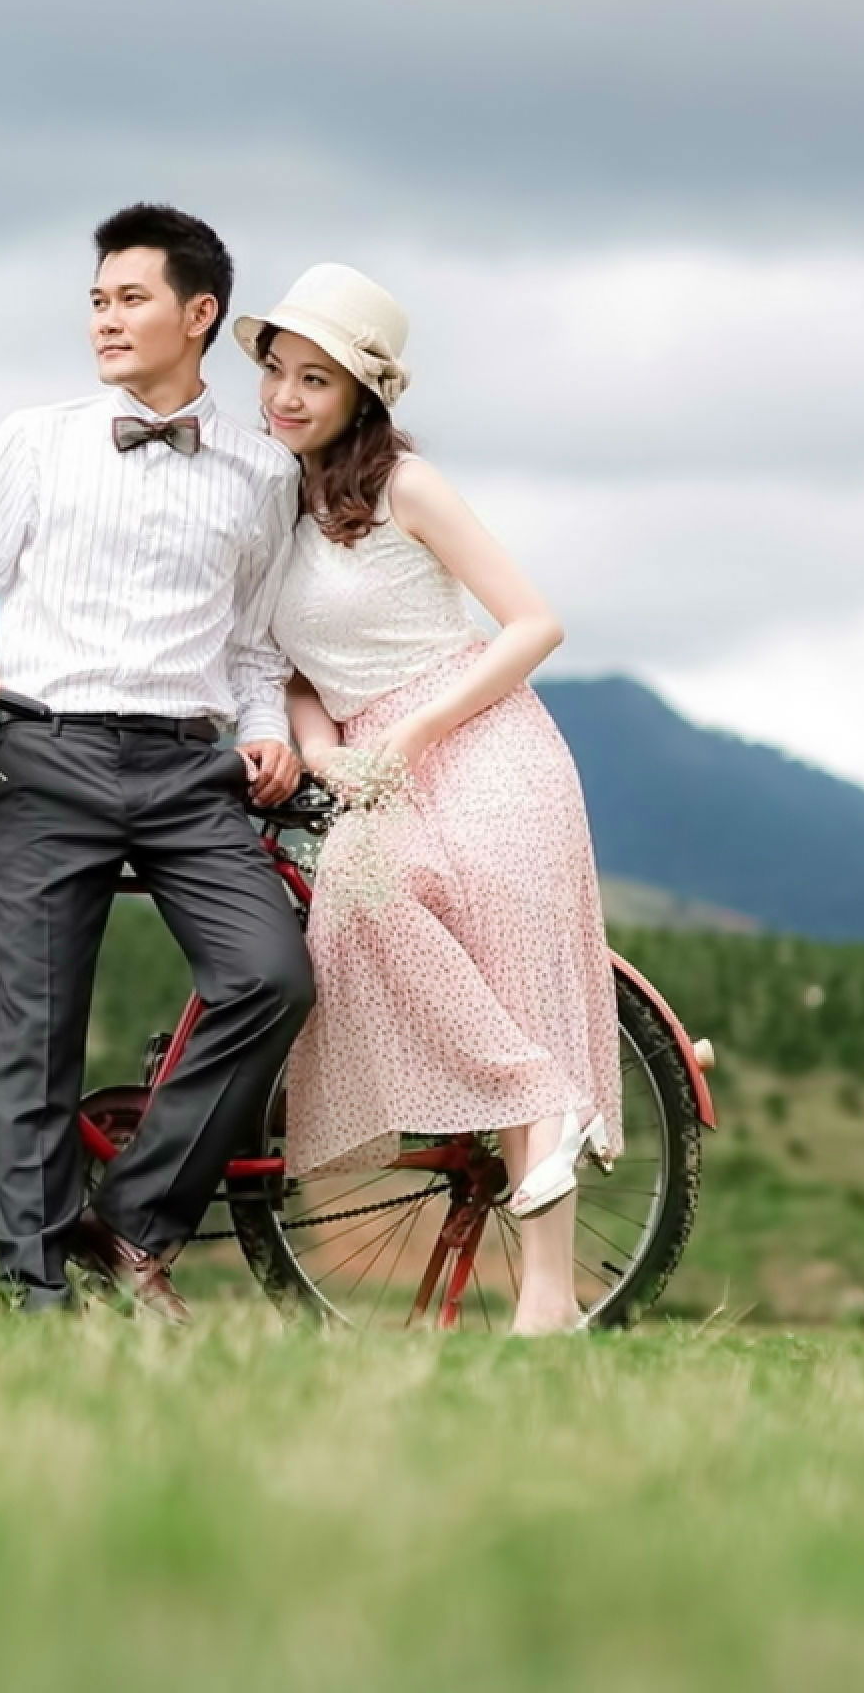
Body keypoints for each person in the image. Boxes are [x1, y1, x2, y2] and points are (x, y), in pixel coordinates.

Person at [0, 203, 310, 1320]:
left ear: (201, 314)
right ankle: (37, 1299)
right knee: (33, 1040)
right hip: (48, 755)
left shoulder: (265, 475)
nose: (106, 320)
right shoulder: (37, 438)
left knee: (272, 977)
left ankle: (130, 1221)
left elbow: (255, 645)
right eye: (96, 300)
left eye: (131, 298)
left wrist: (266, 727)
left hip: (191, 774)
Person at [241, 263, 622, 1337]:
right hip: (368, 762)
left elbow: (533, 624)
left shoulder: (407, 485)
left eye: (317, 379)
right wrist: (318, 753)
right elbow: (294, 673)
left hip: (485, 746)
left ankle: (547, 1302)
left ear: (364, 393)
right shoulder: (277, 504)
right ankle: (539, 1096)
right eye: (278, 372)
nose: (288, 397)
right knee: (360, 895)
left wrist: (411, 730)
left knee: (508, 964)